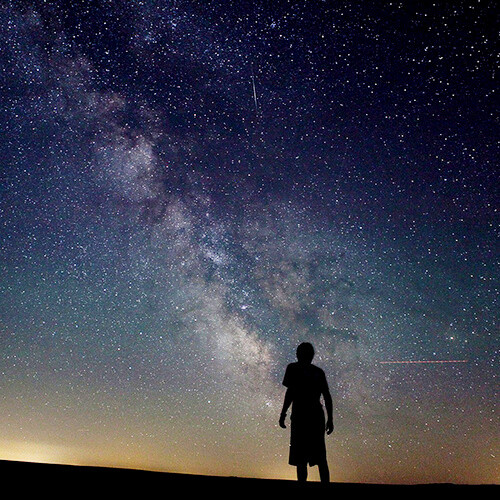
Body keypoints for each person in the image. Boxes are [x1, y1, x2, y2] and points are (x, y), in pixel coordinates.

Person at [279, 342, 333, 483]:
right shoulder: (318, 372)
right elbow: (326, 396)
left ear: (298, 354)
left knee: (301, 457)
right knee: (319, 456)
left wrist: (283, 413)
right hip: (314, 416)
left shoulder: (293, 368)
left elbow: (289, 393)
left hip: (301, 416)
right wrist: (330, 419)